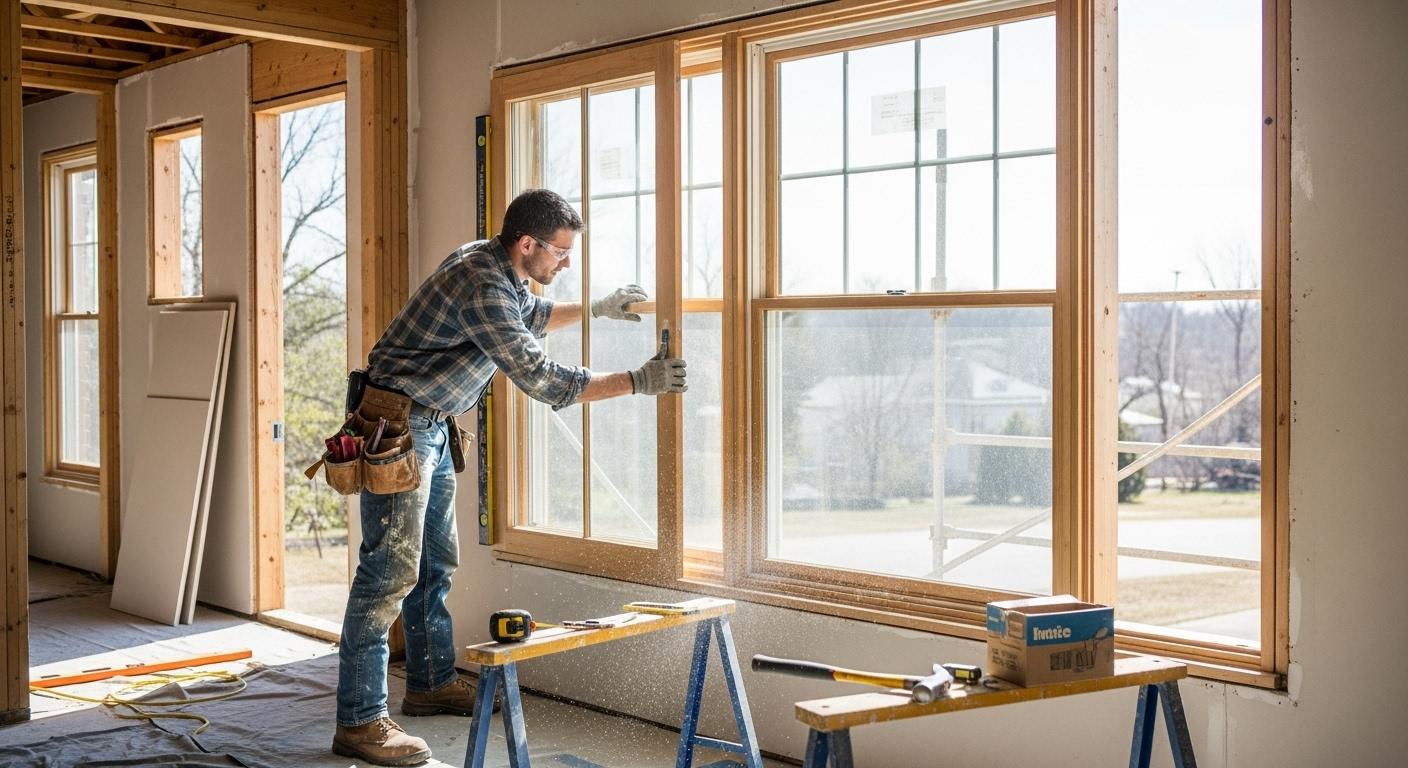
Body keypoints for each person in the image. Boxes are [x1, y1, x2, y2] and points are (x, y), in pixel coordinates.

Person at [332, 188, 687, 766]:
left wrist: (596, 308)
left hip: (433, 421)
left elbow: (533, 318)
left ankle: (429, 681)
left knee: (433, 563)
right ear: (528, 244)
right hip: (398, 425)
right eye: (561, 253)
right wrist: (637, 382)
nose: (565, 263)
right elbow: (542, 378)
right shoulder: (482, 283)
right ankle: (359, 720)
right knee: (388, 575)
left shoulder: (497, 266)